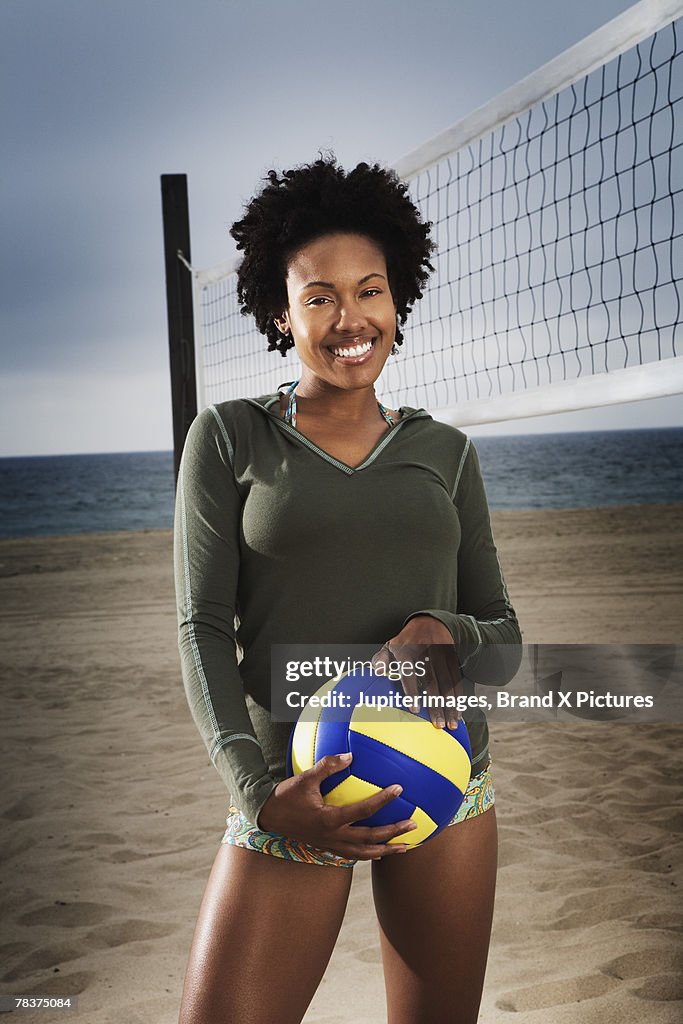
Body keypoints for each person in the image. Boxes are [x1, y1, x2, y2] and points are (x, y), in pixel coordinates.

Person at [174, 157, 523, 1024]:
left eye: (369, 290)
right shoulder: (229, 437)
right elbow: (202, 627)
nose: (349, 318)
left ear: (396, 301)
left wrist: (438, 632)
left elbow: (505, 635)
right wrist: (258, 794)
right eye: (319, 296)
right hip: (297, 792)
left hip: (441, 780)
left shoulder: (446, 451)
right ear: (278, 313)